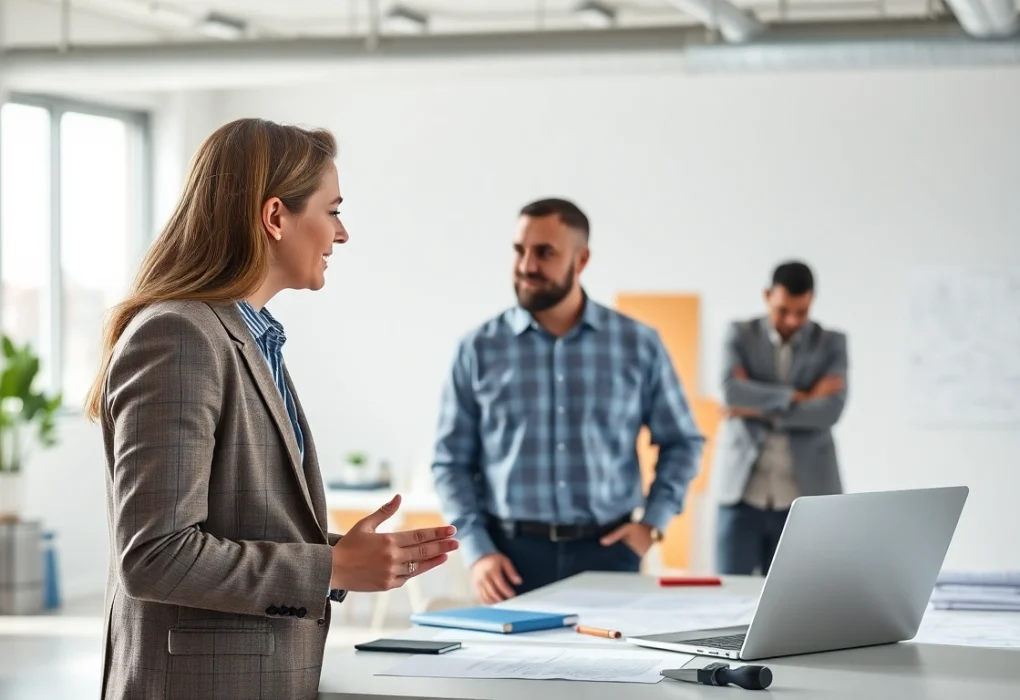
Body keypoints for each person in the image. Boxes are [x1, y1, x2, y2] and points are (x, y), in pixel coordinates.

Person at [84, 118, 458, 700]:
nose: (342, 233)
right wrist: (330, 570)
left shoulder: (244, 336)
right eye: (333, 210)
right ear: (276, 216)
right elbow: (156, 555)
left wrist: (342, 555)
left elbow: (238, 523)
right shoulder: (179, 338)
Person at [431, 197, 705, 604]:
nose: (526, 265)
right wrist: (478, 550)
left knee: (614, 669)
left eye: (544, 252)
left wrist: (651, 526)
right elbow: (450, 462)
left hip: (611, 556)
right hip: (509, 560)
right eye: (519, 250)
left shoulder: (638, 345)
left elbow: (683, 441)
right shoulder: (477, 349)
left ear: (581, 260)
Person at [713, 260, 848, 576]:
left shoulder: (831, 343)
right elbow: (732, 393)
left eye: (801, 313)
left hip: (806, 499)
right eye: (782, 310)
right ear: (767, 296)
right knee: (729, 599)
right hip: (741, 495)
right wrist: (800, 395)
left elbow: (831, 410)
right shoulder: (739, 334)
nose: (791, 321)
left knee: (803, 602)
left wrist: (758, 408)